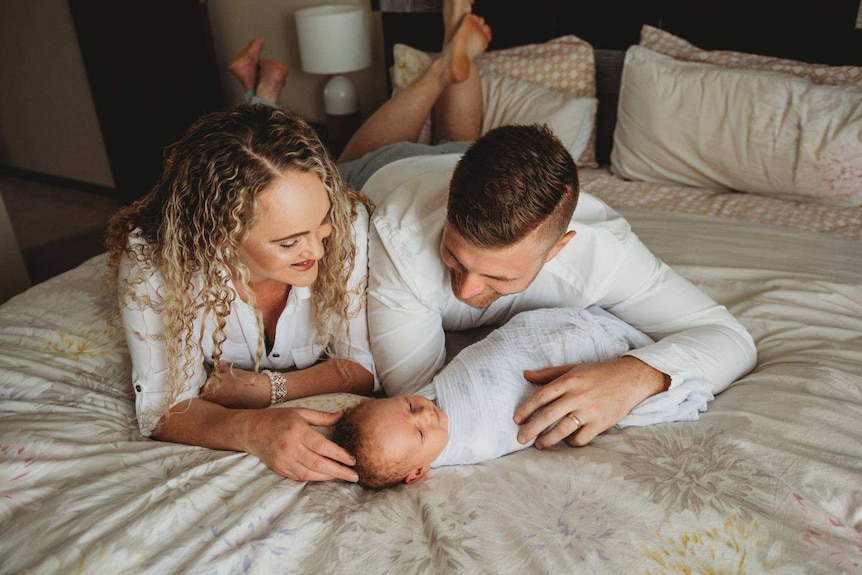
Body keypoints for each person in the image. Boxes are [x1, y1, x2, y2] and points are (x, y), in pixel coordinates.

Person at [104, 104, 377, 483]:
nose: (317, 251)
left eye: (322, 227)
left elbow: (361, 369)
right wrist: (253, 430)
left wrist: (265, 390)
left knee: (379, 150)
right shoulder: (154, 265)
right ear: (220, 237)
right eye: (290, 242)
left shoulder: (348, 226)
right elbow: (164, 407)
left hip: (390, 173)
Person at [331, 307, 714, 489]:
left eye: (410, 406)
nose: (428, 415)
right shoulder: (468, 444)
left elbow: (487, 357)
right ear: (418, 473)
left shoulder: (426, 400)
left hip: (526, 348)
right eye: (419, 434)